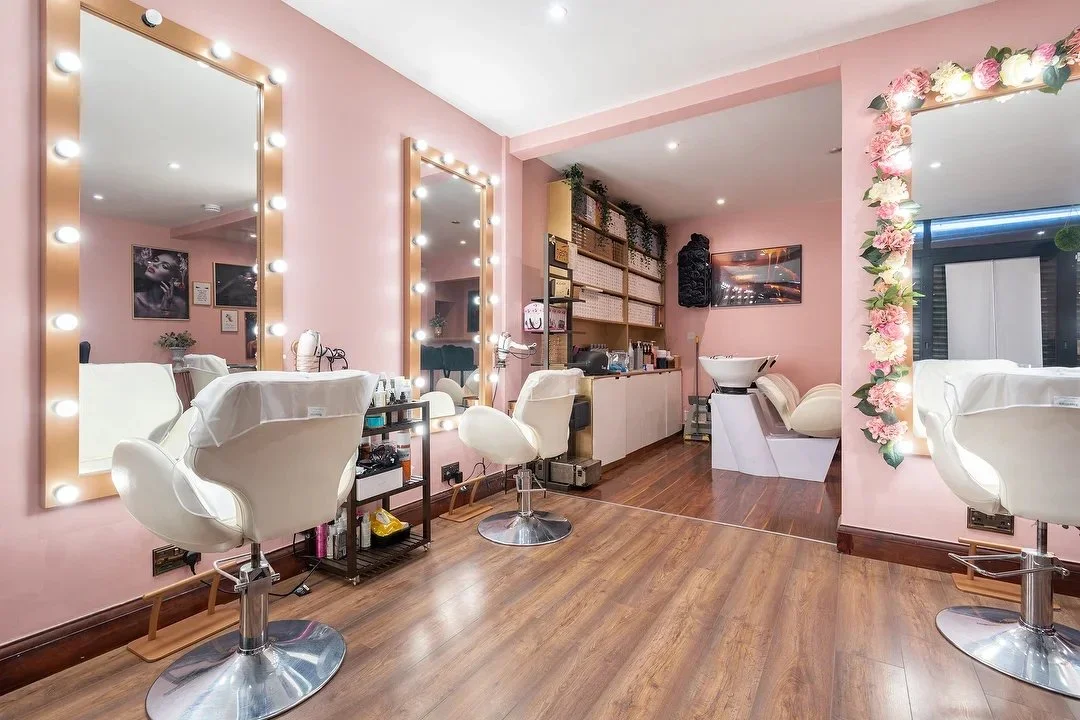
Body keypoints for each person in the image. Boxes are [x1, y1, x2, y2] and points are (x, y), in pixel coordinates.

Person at [134, 248, 189, 319]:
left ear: (173, 278)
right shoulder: (136, 300)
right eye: (155, 260)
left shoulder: (180, 304)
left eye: (164, 266)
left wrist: (166, 308)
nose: (155, 264)